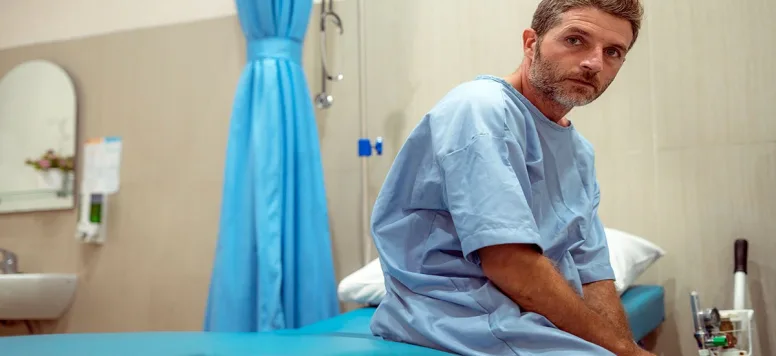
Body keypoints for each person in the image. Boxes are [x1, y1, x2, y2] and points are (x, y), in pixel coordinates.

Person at [369, 0, 655, 355]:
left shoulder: (579, 152)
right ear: (531, 43)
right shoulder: (482, 111)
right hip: (459, 316)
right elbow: (510, 263)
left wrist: (625, 345)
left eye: (612, 52)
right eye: (575, 40)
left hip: (526, 316)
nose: (593, 63)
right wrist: (624, 352)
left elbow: (592, 271)